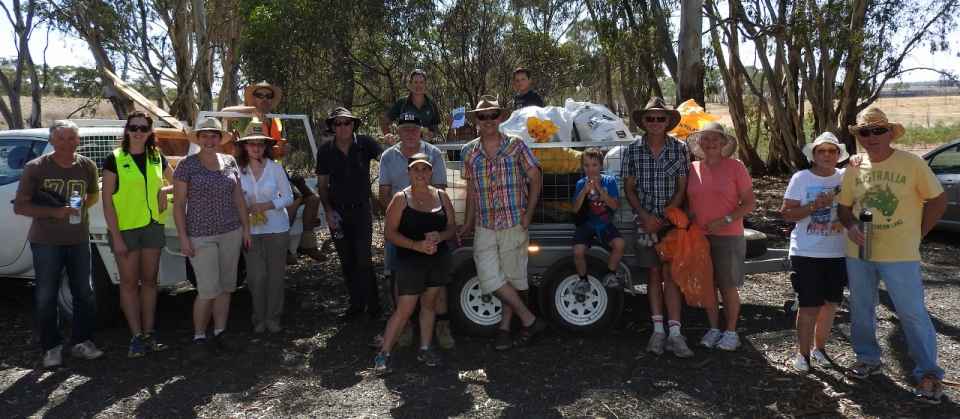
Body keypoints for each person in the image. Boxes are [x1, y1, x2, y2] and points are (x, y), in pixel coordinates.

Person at [837, 107, 947, 404]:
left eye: (877, 131)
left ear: (889, 133)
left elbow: (938, 200)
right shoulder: (854, 166)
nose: (870, 137)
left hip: (900, 253)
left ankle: (929, 373)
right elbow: (844, 208)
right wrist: (849, 226)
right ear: (858, 136)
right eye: (864, 132)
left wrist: (919, 234)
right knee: (861, 308)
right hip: (860, 250)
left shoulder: (912, 164)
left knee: (911, 312)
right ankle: (868, 359)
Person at [458, 95, 547, 350]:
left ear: (500, 117)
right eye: (482, 116)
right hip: (485, 225)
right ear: (477, 120)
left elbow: (535, 177)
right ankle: (530, 319)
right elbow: (472, 191)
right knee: (489, 278)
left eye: (492, 115)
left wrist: (528, 214)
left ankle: (505, 329)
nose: (488, 120)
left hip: (513, 222)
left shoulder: (516, 145)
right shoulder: (470, 152)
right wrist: (467, 223)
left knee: (513, 278)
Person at [14, 120, 103, 367]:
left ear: (79, 140)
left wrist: (79, 207)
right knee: (46, 295)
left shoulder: (87, 166)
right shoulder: (36, 167)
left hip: (78, 239)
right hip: (46, 241)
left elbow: (93, 195)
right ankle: (51, 347)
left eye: (72, 138)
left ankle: (82, 342)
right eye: (62, 138)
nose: (67, 143)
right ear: (52, 140)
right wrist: (56, 212)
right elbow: (21, 206)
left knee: (84, 293)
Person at [173, 117, 252, 360]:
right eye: (204, 135)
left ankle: (220, 332)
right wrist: (183, 238)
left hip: (231, 232)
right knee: (208, 289)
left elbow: (238, 198)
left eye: (214, 135)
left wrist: (246, 230)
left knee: (227, 286)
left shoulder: (229, 162)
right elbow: (178, 205)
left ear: (220, 139)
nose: (209, 140)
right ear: (198, 138)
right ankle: (198, 336)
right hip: (200, 235)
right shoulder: (187, 165)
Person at [622, 97, 693, 358]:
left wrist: (662, 218)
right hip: (643, 221)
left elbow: (681, 188)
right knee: (653, 274)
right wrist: (644, 216)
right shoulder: (632, 150)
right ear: (642, 122)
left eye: (659, 118)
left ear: (667, 122)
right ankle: (658, 331)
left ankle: (676, 333)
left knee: (671, 275)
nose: (654, 123)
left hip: (670, 222)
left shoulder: (680, 148)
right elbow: (629, 188)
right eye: (650, 118)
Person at [373, 153, 458, 373]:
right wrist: (416, 245)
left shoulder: (441, 196)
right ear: (408, 172)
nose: (420, 173)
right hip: (410, 261)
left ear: (431, 172)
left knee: (429, 305)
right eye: (415, 169)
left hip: (437, 260)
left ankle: (425, 348)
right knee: (405, 309)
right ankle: (384, 353)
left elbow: (451, 228)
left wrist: (440, 236)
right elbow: (390, 233)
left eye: (425, 168)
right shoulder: (401, 198)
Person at [101, 111, 174, 358]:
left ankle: (149, 332)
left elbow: (175, 181)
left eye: (144, 128)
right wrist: (117, 237)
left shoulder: (157, 157)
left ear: (150, 132)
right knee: (130, 283)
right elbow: (107, 202)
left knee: (151, 281)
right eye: (134, 128)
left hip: (152, 226)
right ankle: (136, 337)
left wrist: (166, 189)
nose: (138, 132)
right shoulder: (115, 159)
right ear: (127, 130)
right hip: (126, 230)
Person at [229, 81, 325, 263]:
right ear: (252, 98)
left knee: (313, 199)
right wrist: (249, 110)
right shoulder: (245, 117)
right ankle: (285, 247)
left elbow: (275, 146)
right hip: (258, 170)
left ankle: (308, 244)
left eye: (268, 96)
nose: (264, 99)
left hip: (277, 169)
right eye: (260, 95)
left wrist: (282, 150)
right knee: (294, 198)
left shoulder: (275, 119)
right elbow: (226, 112)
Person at [779, 132, 849, 372]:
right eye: (822, 151)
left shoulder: (846, 177)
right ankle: (803, 354)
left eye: (832, 151)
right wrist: (814, 206)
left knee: (830, 305)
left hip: (838, 252)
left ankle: (820, 349)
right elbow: (787, 213)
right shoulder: (801, 178)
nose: (827, 155)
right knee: (809, 306)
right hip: (806, 252)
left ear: (839, 155)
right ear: (813, 155)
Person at [686, 122, 755, 352]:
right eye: (706, 138)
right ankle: (714, 328)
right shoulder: (693, 168)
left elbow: (749, 203)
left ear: (724, 143)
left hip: (728, 235)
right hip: (700, 237)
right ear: (699, 143)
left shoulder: (736, 167)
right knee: (708, 286)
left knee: (727, 285)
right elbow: (691, 203)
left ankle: (731, 331)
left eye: (715, 138)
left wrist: (725, 220)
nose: (710, 143)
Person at [316, 107, 383, 321]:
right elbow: (323, 185)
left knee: (364, 260)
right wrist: (328, 211)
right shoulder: (325, 151)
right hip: (338, 215)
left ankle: (374, 307)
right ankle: (356, 305)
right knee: (347, 261)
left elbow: (388, 159)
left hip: (362, 211)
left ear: (353, 124)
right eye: (338, 123)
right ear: (332, 127)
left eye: (347, 122)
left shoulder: (365, 144)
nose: (343, 127)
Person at [236, 119, 294, 334]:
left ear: (266, 146)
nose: (256, 147)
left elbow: (288, 197)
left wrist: (268, 205)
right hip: (250, 230)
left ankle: (273, 318)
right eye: (252, 143)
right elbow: (234, 198)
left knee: (275, 276)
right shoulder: (237, 170)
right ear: (244, 146)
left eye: (260, 143)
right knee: (256, 277)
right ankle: (258, 317)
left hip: (277, 228)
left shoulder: (275, 169)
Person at [571, 148, 626, 293]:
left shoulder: (609, 181)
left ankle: (610, 274)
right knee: (578, 251)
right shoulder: (580, 183)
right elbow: (575, 209)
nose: (590, 169)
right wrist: (584, 191)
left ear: (601, 166)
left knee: (619, 244)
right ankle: (583, 280)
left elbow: (614, 205)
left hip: (604, 223)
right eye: (586, 165)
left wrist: (600, 190)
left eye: (594, 165)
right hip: (586, 224)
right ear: (583, 167)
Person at [381, 69, 442, 142]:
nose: (418, 85)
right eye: (415, 82)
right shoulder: (402, 103)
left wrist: (431, 134)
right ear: (410, 84)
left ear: (425, 84)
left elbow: (435, 128)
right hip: (405, 148)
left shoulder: (432, 104)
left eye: (421, 82)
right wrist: (389, 137)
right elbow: (384, 121)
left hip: (426, 148)